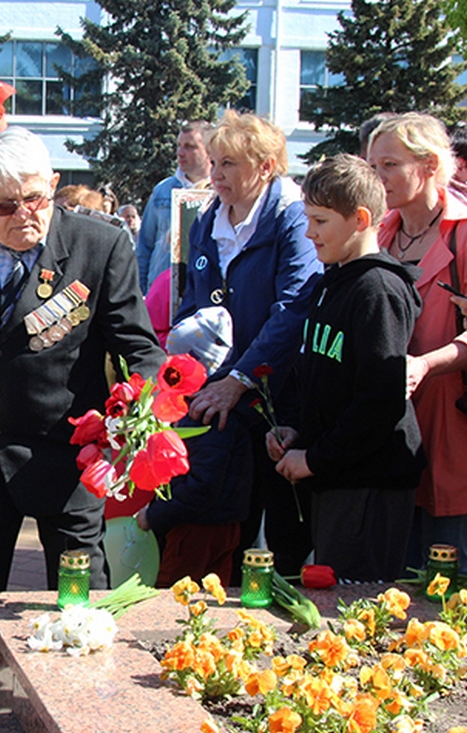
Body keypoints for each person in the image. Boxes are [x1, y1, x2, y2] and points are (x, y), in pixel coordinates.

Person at [0, 127, 164, 713]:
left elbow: (138, 347)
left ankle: (85, 711)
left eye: (35, 199)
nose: (23, 215)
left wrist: (136, 413)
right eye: (4, 206)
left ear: (53, 185)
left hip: (66, 456)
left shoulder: (100, 245)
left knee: (79, 606)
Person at [136, 110, 322, 584]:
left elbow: (293, 309)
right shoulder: (207, 219)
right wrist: (181, 374)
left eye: (229, 164)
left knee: (283, 536)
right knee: (225, 527)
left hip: (281, 398)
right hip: (222, 400)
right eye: (214, 163)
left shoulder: (292, 218)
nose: (215, 175)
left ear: (264, 166)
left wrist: (240, 378)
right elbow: (194, 304)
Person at [267, 154, 425, 582]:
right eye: (308, 219)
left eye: (320, 221)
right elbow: (323, 380)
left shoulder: (378, 290)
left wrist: (315, 458)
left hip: (368, 482)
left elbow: (379, 400)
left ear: (360, 219)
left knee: (354, 601)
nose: (309, 233)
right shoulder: (329, 284)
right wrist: (298, 432)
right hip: (334, 475)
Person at [368, 112, 467, 575]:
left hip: (452, 426)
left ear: (429, 165)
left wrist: (425, 364)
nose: (378, 177)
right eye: (374, 165)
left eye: (390, 165)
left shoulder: (463, 232)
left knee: (447, 577)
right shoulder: (379, 232)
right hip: (392, 429)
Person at [136, 121, 212, 293]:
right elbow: (144, 247)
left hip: (199, 289)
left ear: (209, 150)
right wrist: (140, 293)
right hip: (160, 291)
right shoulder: (163, 190)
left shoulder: (220, 192)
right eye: (179, 145)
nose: (180, 152)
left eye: (189, 146)